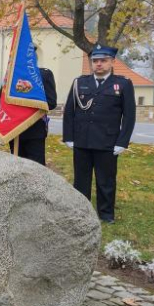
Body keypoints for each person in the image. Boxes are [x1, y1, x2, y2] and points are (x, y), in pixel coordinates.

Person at [63, 44, 135, 223]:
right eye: (95, 61)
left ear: (112, 62)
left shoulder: (123, 84)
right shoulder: (80, 82)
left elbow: (129, 116)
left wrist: (122, 142)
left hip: (107, 142)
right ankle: (81, 213)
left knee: (106, 181)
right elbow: (69, 112)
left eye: (103, 60)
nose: (99, 64)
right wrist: (69, 137)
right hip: (82, 140)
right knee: (81, 181)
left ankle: (106, 214)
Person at [10, 54, 57, 165]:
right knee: (17, 167)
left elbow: (51, 102)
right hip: (15, 130)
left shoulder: (44, 75)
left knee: (36, 168)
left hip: (35, 129)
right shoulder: (12, 77)